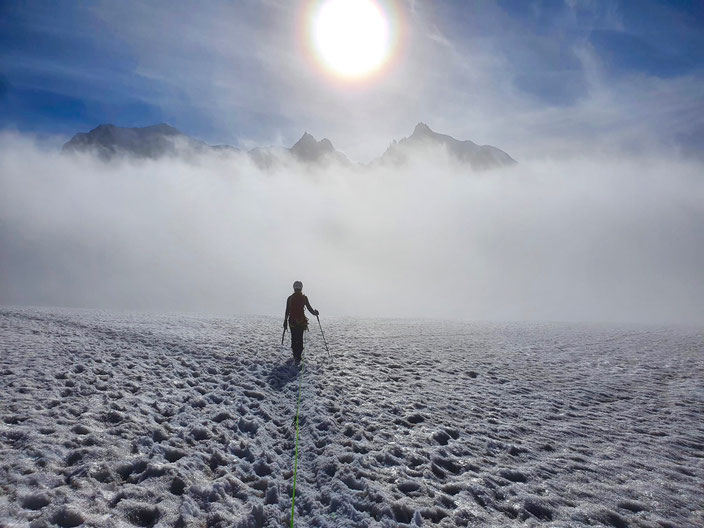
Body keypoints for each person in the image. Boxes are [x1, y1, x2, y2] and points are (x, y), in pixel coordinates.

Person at [284, 281, 319, 364]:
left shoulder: (290, 298)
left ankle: (295, 354)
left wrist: (285, 322)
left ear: (294, 288)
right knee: (299, 338)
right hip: (301, 321)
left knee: (294, 337)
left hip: (292, 321)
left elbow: (287, 311)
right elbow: (310, 309)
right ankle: (299, 356)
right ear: (301, 288)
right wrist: (315, 313)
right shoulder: (304, 298)